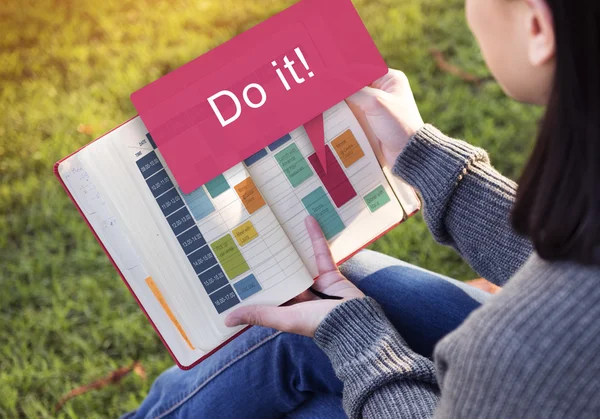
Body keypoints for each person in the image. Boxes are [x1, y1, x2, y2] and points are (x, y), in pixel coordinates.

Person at [125, 0, 600, 417]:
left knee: (299, 342)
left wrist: (359, 340)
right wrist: (428, 160)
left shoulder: (520, 347)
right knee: (338, 287)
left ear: (537, 27)